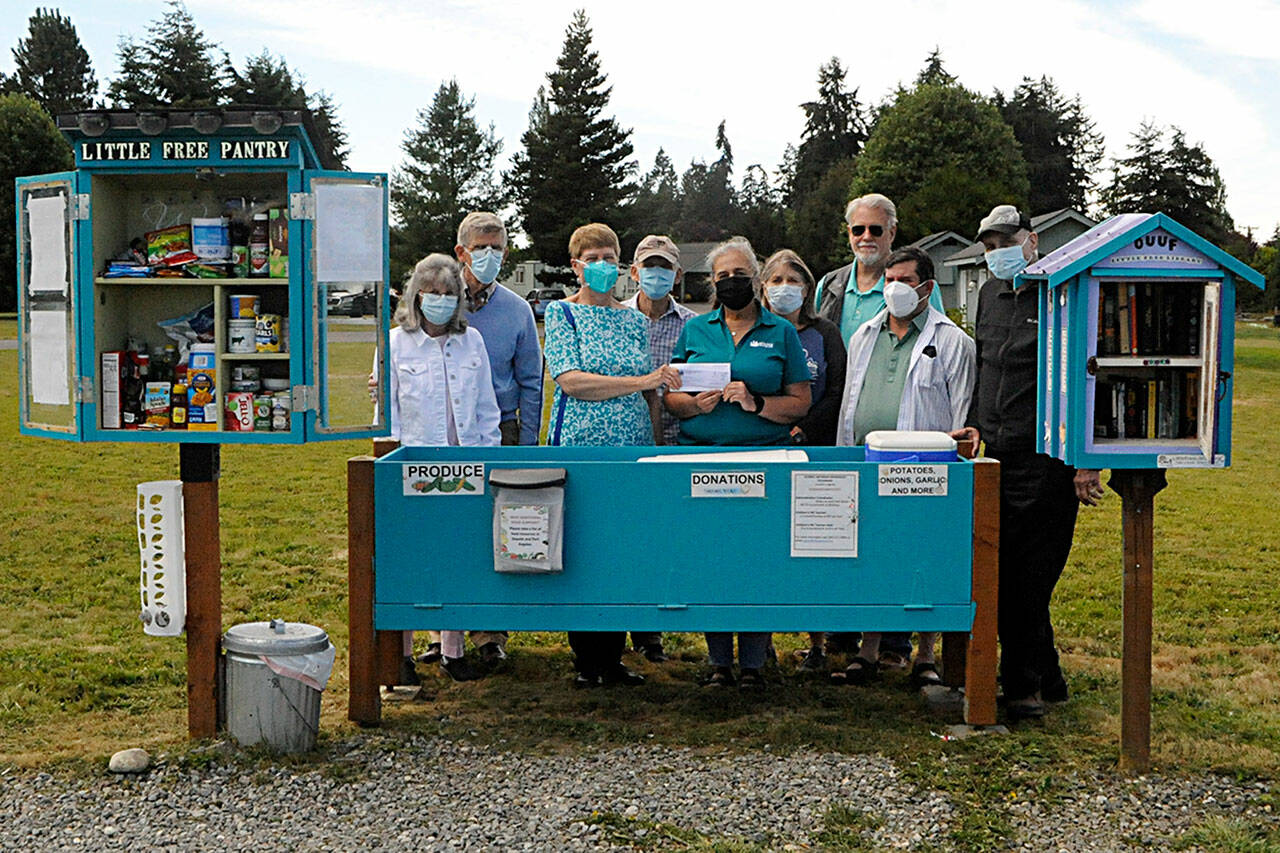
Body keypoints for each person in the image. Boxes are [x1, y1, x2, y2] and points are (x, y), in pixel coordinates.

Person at [949, 204, 1102, 721]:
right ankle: (1048, 675)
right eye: (989, 246)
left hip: (1047, 457)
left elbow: (1087, 374)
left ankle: (1022, 688)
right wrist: (972, 422)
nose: (997, 254)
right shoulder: (989, 295)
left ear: (1031, 240)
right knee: (1003, 567)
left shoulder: (1062, 294)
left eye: (1005, 242)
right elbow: (985, 364)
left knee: (1028, 575)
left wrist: (1084, 459)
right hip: (995, 454)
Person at [665, 237, 811, 688]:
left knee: (757, 558)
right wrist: (693, 407)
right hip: (701, 457)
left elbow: (801, 402)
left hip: (764, 459)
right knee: (710, 557)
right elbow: (670, 396)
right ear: (712, 283)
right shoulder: (695, 331)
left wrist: (756, 402)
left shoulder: (781, 332)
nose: (731, 283)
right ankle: (718, 661)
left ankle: (753, 661)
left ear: (756, 279)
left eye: (740, 275)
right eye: (722, 277)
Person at [829, 246, 975, 688]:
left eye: (905, 281)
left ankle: (926, 655)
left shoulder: (952, 342)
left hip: (925, 473)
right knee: (871, 557)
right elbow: (849, 407)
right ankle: (868, 650)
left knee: (925, 559)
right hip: (867, 465)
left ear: (927, 288)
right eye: (889, 279)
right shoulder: (862, 336)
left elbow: (962, 414)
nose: (894, 288)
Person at [545, 223, 682, 687]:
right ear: (576, 265)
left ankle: (615, 652)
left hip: (633, 447)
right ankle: (588, 657)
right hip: (582, 447)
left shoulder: (634, 321)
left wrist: (658, 444)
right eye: (594, 258)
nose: (603, 266)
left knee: (624, 546)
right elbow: (571, 381)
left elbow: (652, 392)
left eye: (611, 258)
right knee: (584, 548)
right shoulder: (561, 315)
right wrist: (641, 383)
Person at [813, 192, 943, 668]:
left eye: (875, 230)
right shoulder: (829, 285)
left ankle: (897, 643)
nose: (865, 238)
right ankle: (848, 636)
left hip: (910, 438)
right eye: (857, 230)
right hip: (841, 421)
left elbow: (937, 350)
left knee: (905, 539)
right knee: (847, 533)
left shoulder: (912, 284)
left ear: (892, 233)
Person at [389, 253, 501, 683]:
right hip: (413, 466)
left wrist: (488, 457)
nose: (439, 300)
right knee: (410, 559)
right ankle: (402, 655)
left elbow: (487, 408)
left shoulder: (471, 342)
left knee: (457, 557)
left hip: (465, 465)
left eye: (447, 294)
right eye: (431, 293)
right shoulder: (397, 342)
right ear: (416, 297)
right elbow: (390, 409)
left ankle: (454, 651)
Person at [757, 249, 848, 675]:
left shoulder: (824, 332)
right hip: (766, 447)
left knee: (815, 545)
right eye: (774, 281)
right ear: (762, 288)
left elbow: (836, 390)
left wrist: (805, 429)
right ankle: (765, 641)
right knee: (768, 546)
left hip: (815, 450)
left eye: (792, 281)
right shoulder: (757, 332)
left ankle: (817, 643)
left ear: (808, 289)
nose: (783, 289)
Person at [621, 234, 697, 664]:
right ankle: (641, 630)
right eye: (648, 266)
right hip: (630, 444)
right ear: (634, 272)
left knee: (670, 539)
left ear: (678, 274)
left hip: (678, 440)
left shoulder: (692, 324)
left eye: (664, 267)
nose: (656, 274)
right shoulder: (614, 320)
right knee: (632, 539)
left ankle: (666, 618)